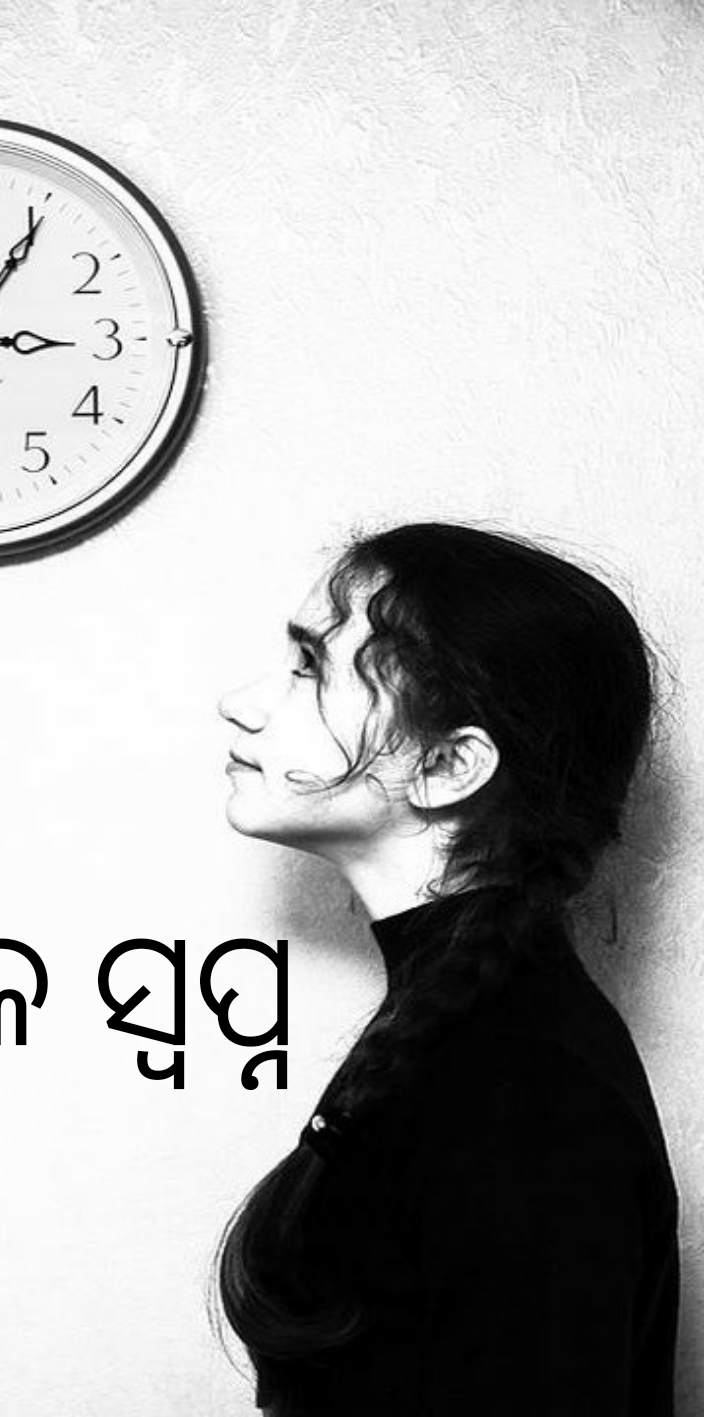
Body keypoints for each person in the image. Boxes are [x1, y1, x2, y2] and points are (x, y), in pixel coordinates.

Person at [213, 522, 681, 1417]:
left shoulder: (523, 1087)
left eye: (310, 668)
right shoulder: (463, 1027)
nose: (242, 704)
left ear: (447, 764)